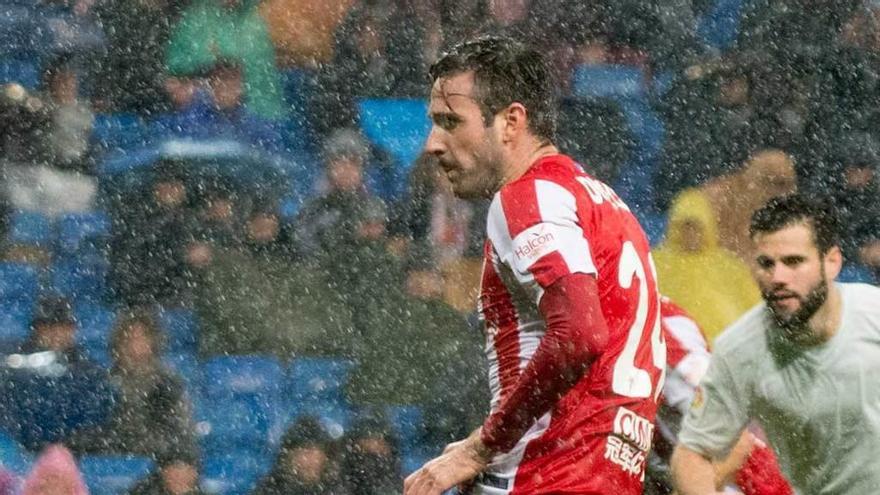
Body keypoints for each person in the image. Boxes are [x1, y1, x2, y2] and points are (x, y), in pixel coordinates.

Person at [405, 36, 666, 495]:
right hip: (606, 477)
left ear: (511, 121)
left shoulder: (525, 197)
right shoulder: (604, 203)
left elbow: (580, 334)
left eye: (451, 122)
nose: (432, 144)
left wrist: (481, 448)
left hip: (546, 477)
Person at [670, 194, 880, 494]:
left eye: (794, 262)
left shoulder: (875, 314)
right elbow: (691, 455)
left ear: (832, 262)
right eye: (766, 264)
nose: (778, 277)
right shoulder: (739, 350)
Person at [67, 308, 197, 458]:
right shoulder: (102, 382)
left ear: (153, 343)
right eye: (127, 339)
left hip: (153, 461)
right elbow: (87, 431)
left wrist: (131, 443)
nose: (133, 347)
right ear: (117, 343)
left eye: (140, 339)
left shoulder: (168, 385)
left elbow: (177, 436)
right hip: (106, 458)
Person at [653, 189, 761, 341]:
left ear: (708, 226)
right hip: (671, 348)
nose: (691, 233)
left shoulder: (727, 265)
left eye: (696, 227)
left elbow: (754, 307)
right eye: (686, 226)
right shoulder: (657, 263)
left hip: (722, 349)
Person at [251, 416, 341, 495]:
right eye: (303, 451)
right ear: (288, 455)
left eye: (312, 451)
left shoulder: (339, 488)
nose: (308, 459)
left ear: (325, 455)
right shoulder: (269, 488)